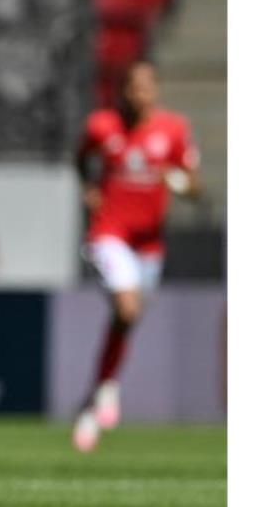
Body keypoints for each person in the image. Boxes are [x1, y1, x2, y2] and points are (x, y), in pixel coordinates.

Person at [72, 60, 201, 453]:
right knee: (126, 309)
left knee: (125, 321)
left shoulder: (173, 130)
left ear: (155, 91)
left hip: (149, 244)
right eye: (132, 86)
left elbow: (194, 186)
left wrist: (175, 180)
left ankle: (96, 395)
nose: (138, 94)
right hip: (110, 232)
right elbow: (80, 159)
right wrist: (90, 189)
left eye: (145, 87)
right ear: (122, 90)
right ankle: (107, 390)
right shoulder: (102, 126)